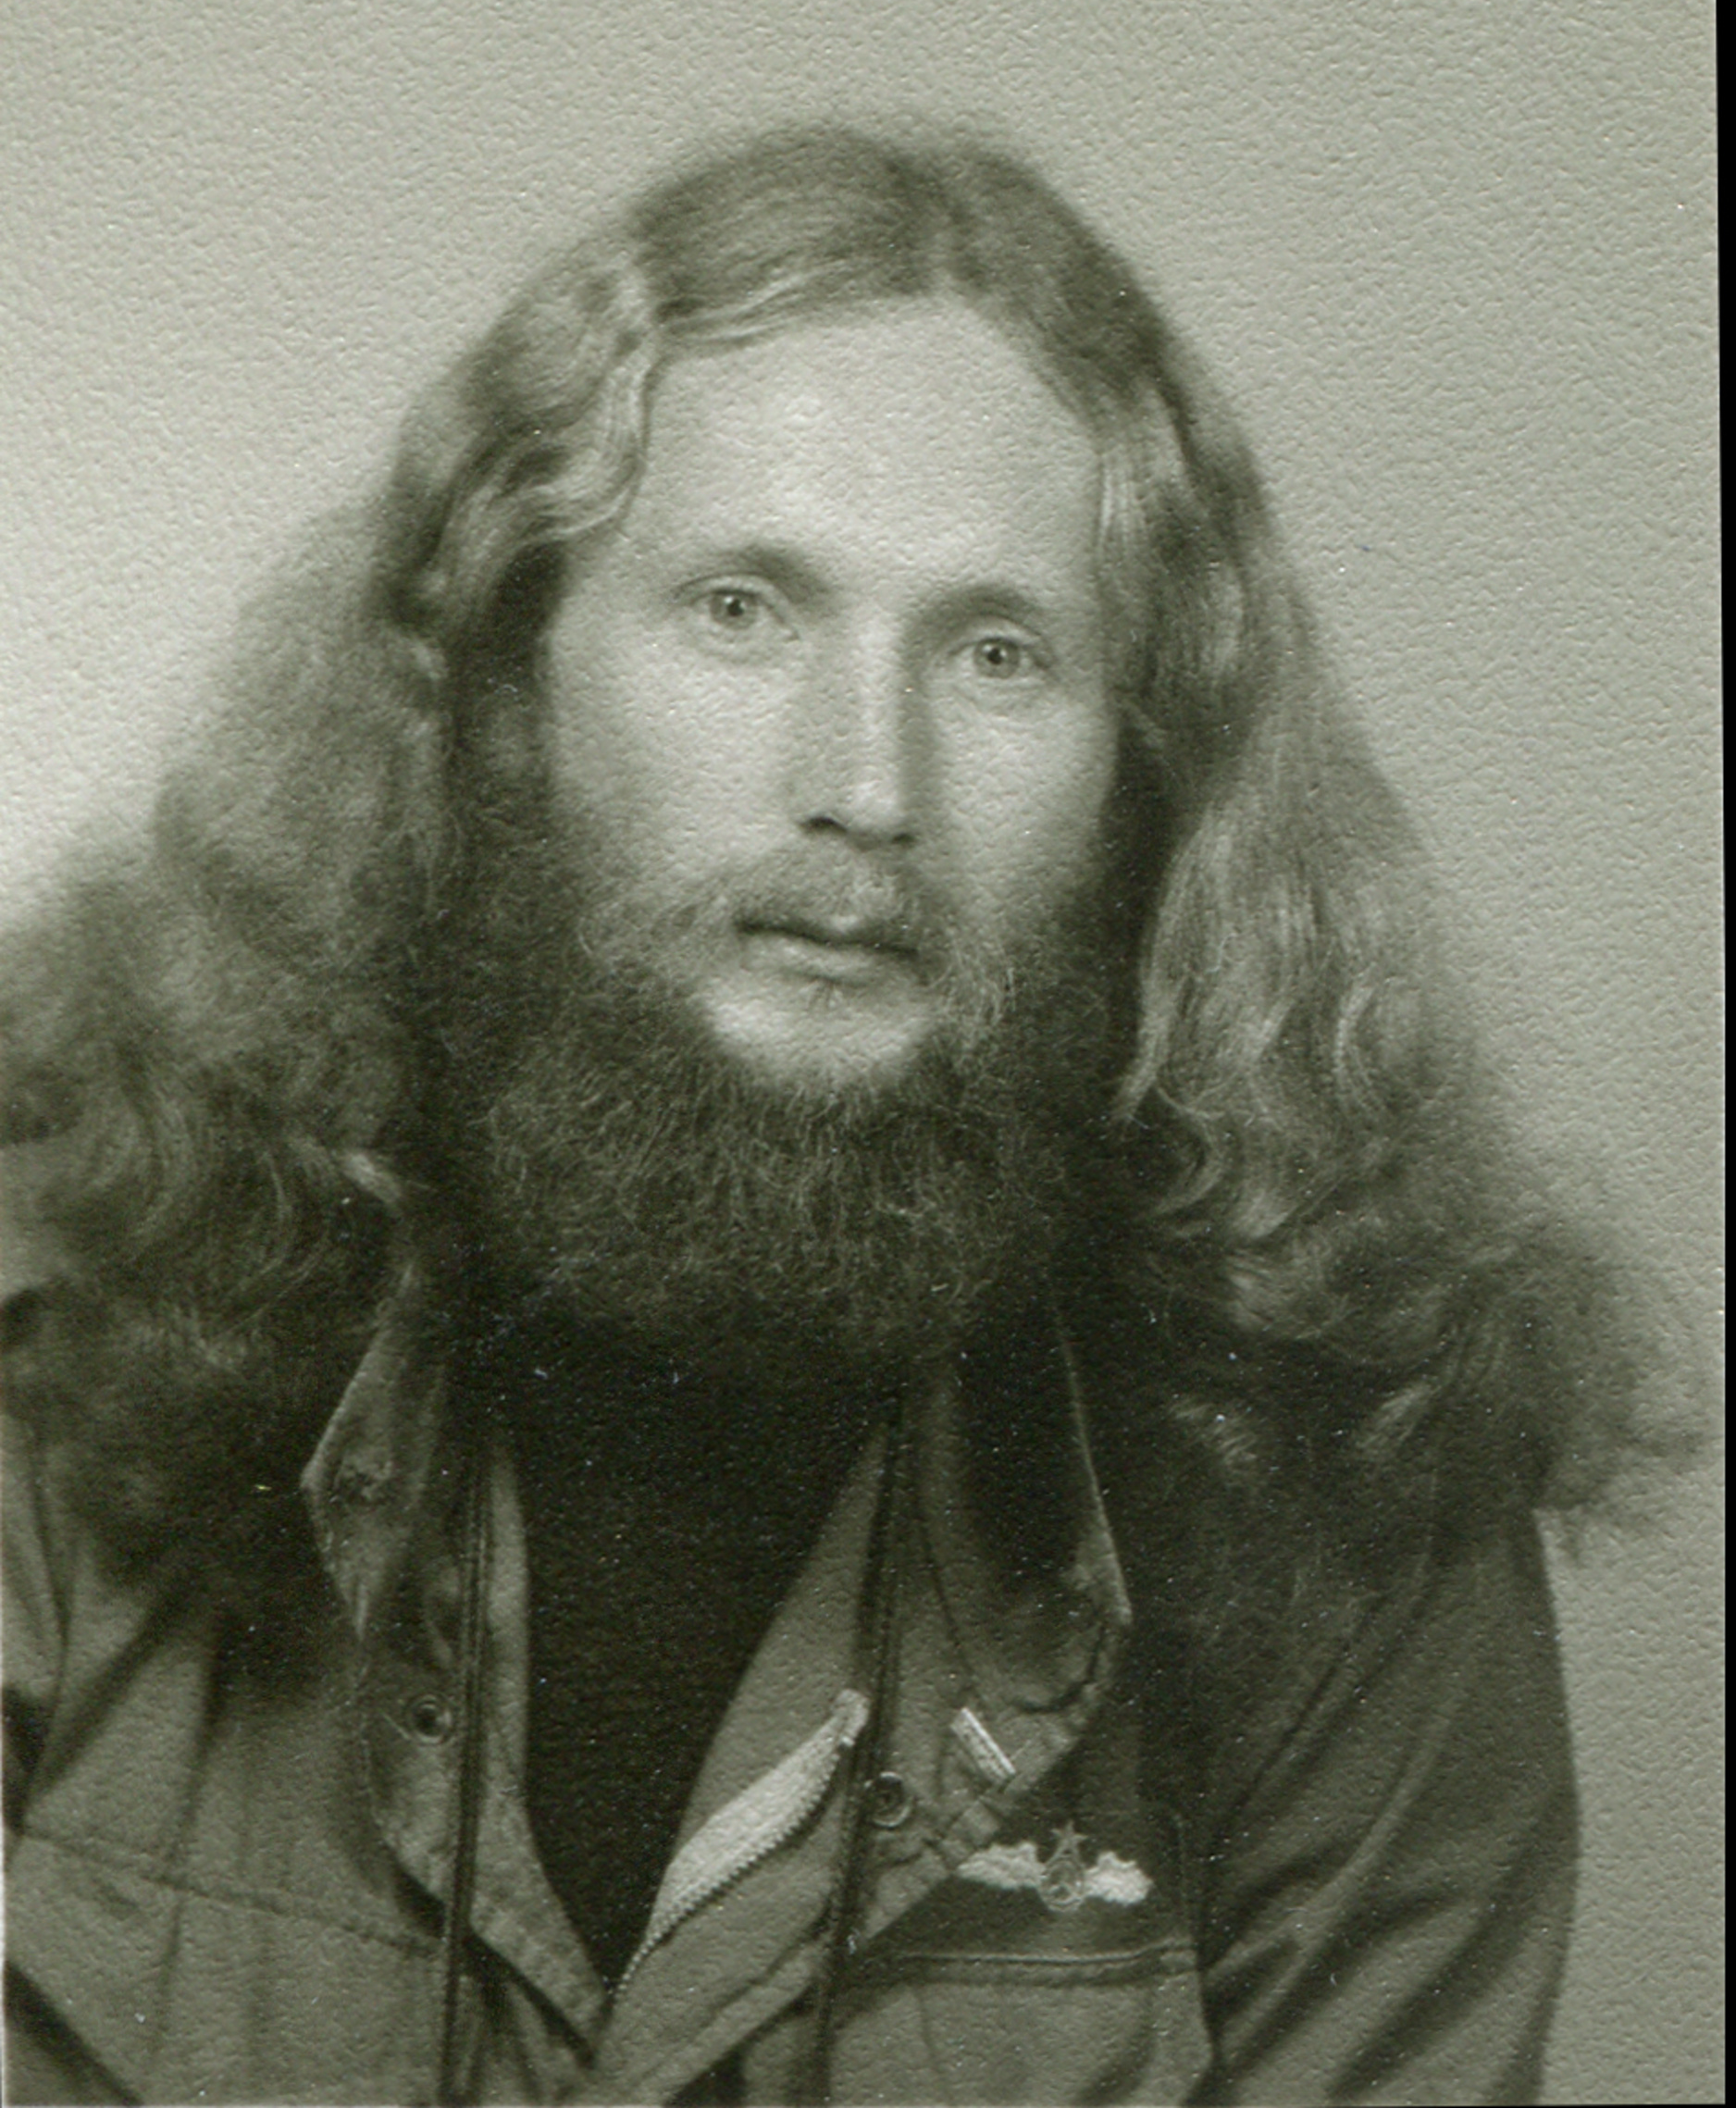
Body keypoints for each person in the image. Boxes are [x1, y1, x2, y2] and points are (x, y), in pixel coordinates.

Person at [0, 126, 1693, 2106]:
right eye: (742, 609)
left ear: (1141, 781)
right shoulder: (60, 1316)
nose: (866, 784)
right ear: (502, 683)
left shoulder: (1347, 1493)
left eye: (996, 654)